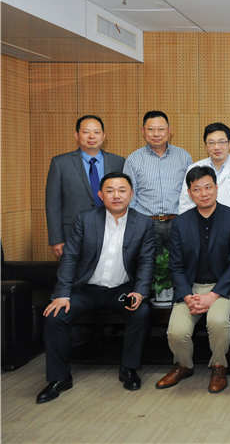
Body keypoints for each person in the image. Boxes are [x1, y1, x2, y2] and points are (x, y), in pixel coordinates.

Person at [37, 172, 155, 404]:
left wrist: (139, 292)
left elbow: (146, 261)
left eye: (122, 190)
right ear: (100, 195)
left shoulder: (143, 223)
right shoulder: (86, 219)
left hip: (121, 292)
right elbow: (70, 258)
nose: (116, 195)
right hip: (86, 291)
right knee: (55, 315)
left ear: (131, 194)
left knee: (140, 311)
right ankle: (59, 378)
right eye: (110, 190)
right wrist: (62, 294)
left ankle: (129, 369)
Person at [155, 167, 230, 394]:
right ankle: (183, 365)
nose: (204, 193)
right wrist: (187, 296)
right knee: (177, 331)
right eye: (197, 189)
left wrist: (213, 295)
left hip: (222, 286)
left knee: (217, 321)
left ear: (216, 188)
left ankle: (219, 367)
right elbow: (176, 266)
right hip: (191, 287)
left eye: (208, 187)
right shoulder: (180, 223)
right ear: (189, 193)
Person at [179, 122, 230, 293]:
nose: (217, 147)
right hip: (201, 233)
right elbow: (185, 205)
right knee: (202, 282)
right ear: (206, 145)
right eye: (211, 142)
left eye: (221, 142)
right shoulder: (194, 169)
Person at [46, 115, 125, 259]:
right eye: (86, 132)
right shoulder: (60, 163)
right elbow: (53, 204)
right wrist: (56, 239)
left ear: (103, 136)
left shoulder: (118, 162)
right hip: (73, 234)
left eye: (96, 132)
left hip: (112, 232)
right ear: (77, 135)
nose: (91, 136)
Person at [123, 110, 193, 251]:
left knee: (179, 262)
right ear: (143, 131)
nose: (156, 134)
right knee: (147, 262)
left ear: (169, 131)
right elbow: (129, 196)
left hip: (177, 222)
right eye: (151, 129)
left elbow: (191, 191)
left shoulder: (184, 157)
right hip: (146, 223)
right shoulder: (133, 159)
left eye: (161, 129)